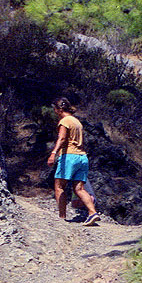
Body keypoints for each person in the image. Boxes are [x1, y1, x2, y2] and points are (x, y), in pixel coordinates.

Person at [47, 97, 100, 226]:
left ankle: (62, 217)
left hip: (69, 156)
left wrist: (53, 153)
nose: (54, 111)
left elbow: (62, 138)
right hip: (82, 157)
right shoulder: (77, 122)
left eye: (54, 109)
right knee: (79, 188)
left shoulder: (65, 121)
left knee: (59, 186)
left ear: (59, 109)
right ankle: (93, 212)